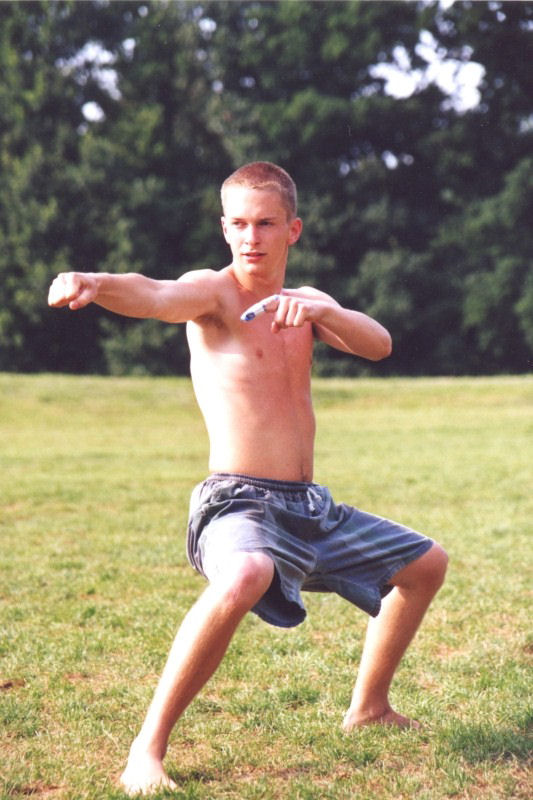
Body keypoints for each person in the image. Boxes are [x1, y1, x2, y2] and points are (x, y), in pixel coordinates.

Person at [48, 162, 448, 796]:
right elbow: (154, 294)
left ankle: (369, 708)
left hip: (309, 508)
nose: (250, 237)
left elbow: (379, 345)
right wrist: (96, 283)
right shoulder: (214, 293)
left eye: (264, 223)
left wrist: (325, 309)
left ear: (293, 229)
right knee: (245, 574)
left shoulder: (306, 304)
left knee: (427, 564)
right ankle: (145, 750)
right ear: (223, 228)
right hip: (236, 504)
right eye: (237, 224)